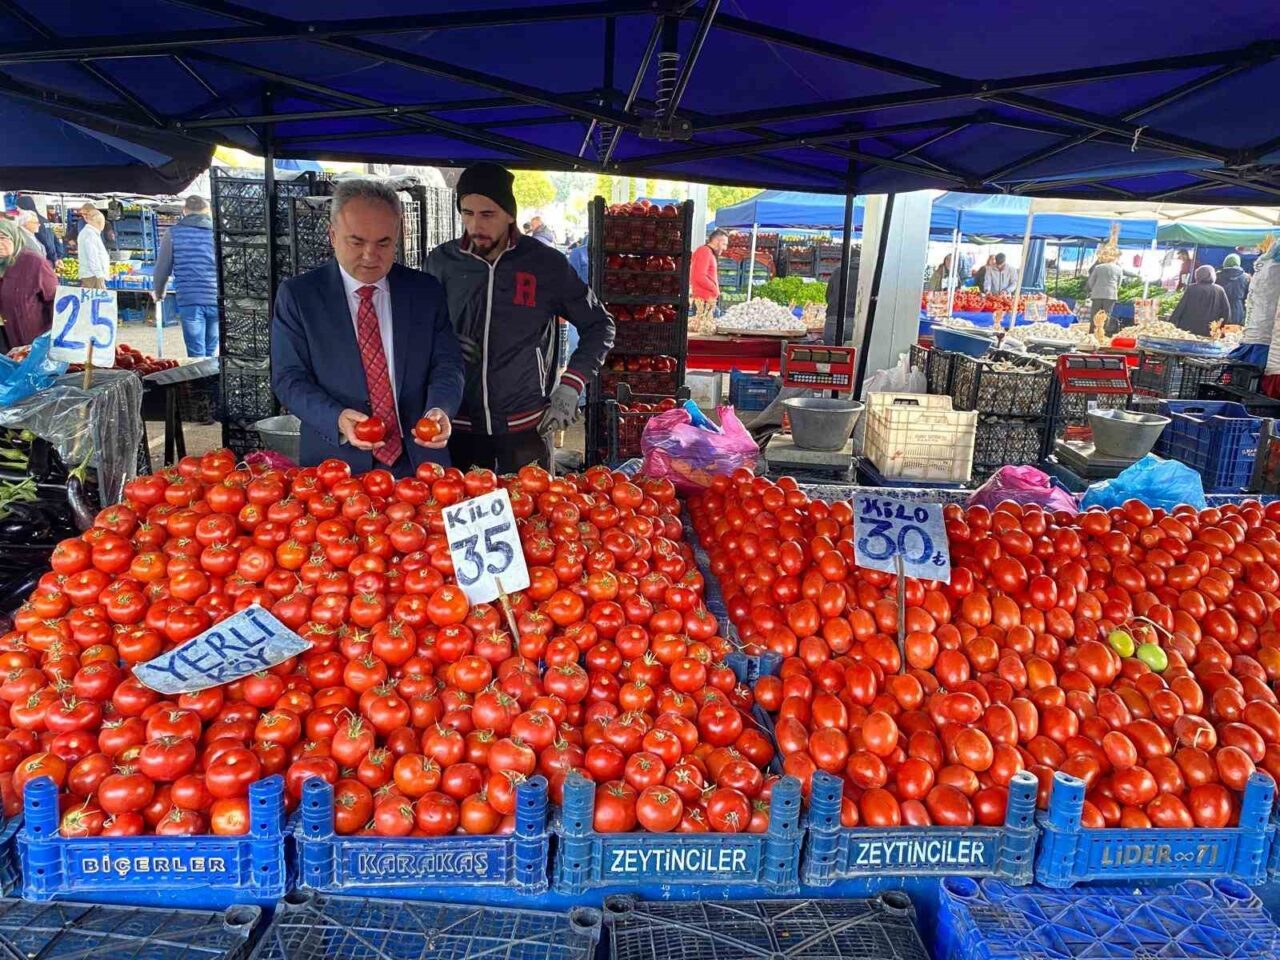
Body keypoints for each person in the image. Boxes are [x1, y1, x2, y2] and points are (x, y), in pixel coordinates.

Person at [426, 162, 615, 473]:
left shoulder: (545, 264)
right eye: (467, 213)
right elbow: (421, 330)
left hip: (526, 427)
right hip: (457, 427)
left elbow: (600, 325)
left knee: (532, 516)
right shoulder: (441, 261)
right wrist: (443, 345)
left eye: (487, 214)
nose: (476, 225)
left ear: (509, 214)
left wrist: (571, 386)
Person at [271, 178, 465, 476]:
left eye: (383, 243)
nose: (370, 255)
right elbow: (288, 378)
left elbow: (447, 364)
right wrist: (336, 418)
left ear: (399, 236)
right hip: (336, 462)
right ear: (332, 236)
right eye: (357, 241)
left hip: (419, 459)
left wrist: (441, 408)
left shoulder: (425, 291)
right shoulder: (299, 296)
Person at [154, 195, 221, 358]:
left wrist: (159, 292)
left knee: (196, 353)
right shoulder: (218, 233)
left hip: (190, 299)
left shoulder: (173, 233)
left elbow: (162, 267)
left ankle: (199, 382)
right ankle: (211, 380)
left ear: (184, 211)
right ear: (207, 211)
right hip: (216, 297)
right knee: (211, 351)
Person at [0, 218, 57, 352]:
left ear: (14, 237)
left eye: (2, 238)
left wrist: (54, 339)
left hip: (30, 341)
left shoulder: (34, 262)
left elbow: (56, 299)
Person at [1168, 264, 1231, 338]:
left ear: (1197, 276)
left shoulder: (1191, 288)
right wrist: (1221, 327)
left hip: (1188, 330)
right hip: (1209, 330)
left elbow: (1180, 308)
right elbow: (1226, 312)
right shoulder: (1219, 290)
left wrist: (1171, 323)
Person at [15, 196, 60, 268]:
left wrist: (54, 259)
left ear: (24, 207)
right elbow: (55, 239)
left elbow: (46, 241)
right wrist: (57, 256)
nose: (17, 210)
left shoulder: (32, 221)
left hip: (43, 261)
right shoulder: (44, 220)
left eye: (18, 208)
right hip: (47, 260)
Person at [1084, 248, 1124, 328]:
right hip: (1111, 295)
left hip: (1097, 294)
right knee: (1106, 315)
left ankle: (1092, 333)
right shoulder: (1119, 269)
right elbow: (1119, 283)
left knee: (1095, 314)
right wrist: (1115, 289)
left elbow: (1091, 281)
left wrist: (1094, 289)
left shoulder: (1098, 267)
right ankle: (1102, 333)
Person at [825, 259, 860, 346]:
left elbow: (828, 295)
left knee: (832, 356)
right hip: (855, 322)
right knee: (853, 356)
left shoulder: (838, 271)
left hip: (833, 321)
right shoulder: (866, 274)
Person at [691, 229, 729, 308]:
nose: (725, 248)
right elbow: (699, 276)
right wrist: (715, 290)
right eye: (724, 244)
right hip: (704, 301)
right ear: (715, 241)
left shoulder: (708, 252)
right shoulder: (704, 251)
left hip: (707, 301)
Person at [76, 204, 110, 290]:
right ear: (98, 222)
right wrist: (100, 275)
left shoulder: (90, 233)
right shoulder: (90, 235)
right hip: (92, 276)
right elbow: (93, 257)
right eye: (102, 222)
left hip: (92, 274)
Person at [1218, 253, 1251, 327]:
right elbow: (1248, 296)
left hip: (1220, 308)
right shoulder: (1246, 277)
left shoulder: (1218, 276)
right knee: (1235, 334)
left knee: (1218, 332)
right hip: (1238, 308)